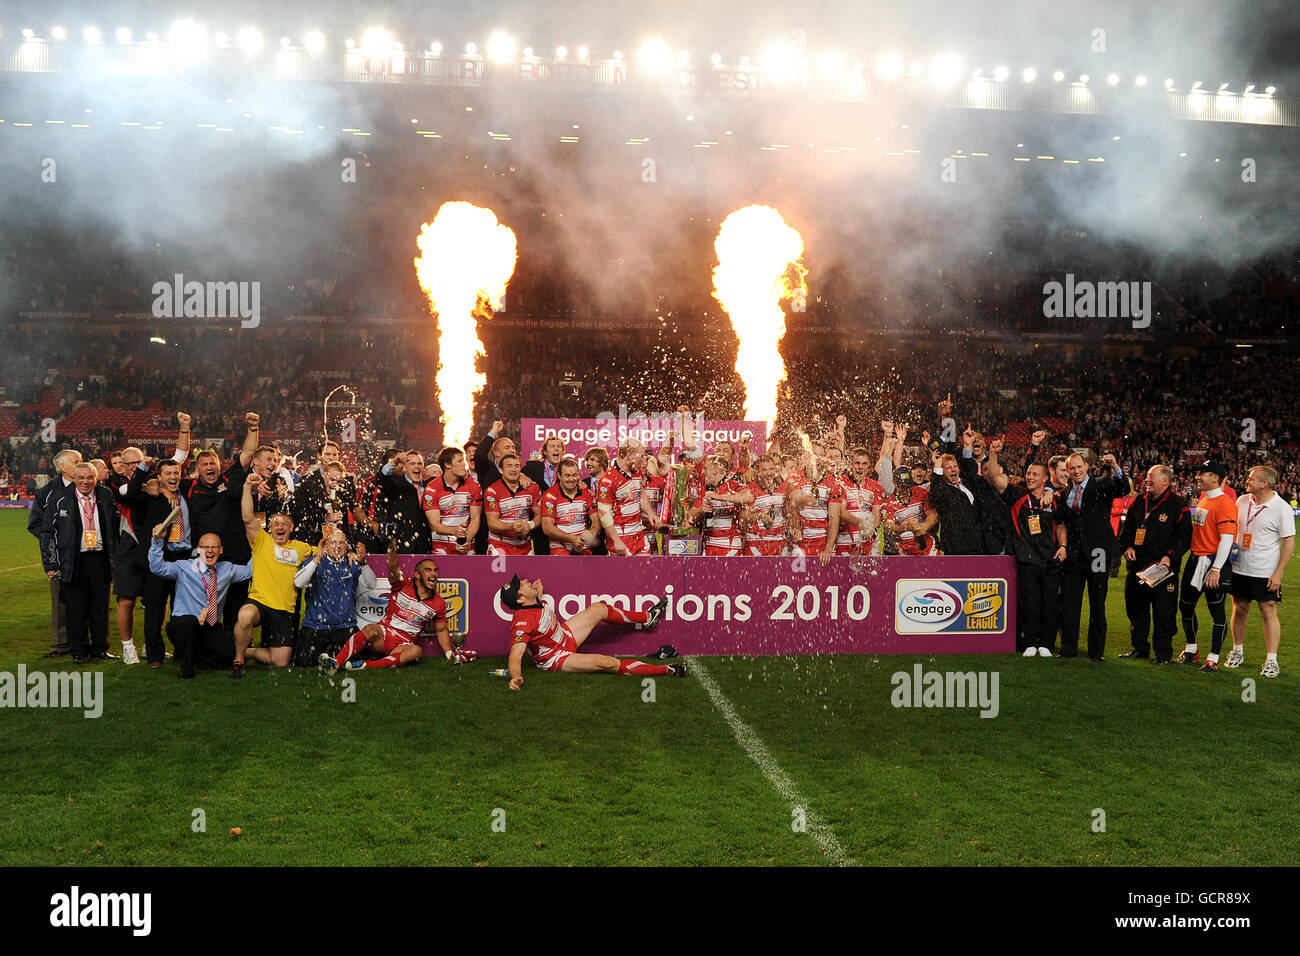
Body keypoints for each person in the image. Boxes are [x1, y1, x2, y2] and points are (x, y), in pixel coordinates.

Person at [500, 575, 678, 690]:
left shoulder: (533, 600)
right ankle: (666, 669)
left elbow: (535, 606)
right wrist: (516, 677)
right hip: (557, 658)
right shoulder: (522, 621)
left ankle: (648, 617)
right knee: (606, 663)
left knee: (599, 609)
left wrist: (537, 593)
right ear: (521, 599)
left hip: (565, 635)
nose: (524, 581)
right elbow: (516, 655)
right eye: (520, 585)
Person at [321, 547, 474, 672]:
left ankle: (365, 665)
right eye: (428, 570)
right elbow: (393, 569)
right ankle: (335, 663)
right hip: (384, 635)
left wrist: (449, 654)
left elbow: (441, 631)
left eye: (435, 570)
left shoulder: (438, 603)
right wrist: (391, 548)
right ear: (417, 575)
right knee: (370, 629)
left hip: (404, 643)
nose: (433, 574)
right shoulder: (403, 584)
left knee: (417, 652)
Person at [983, 441, 1067, 657]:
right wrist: (993, 454)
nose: (1030, 477)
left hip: (1050, 561)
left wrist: (1064, 546)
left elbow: (1060, 526)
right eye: (1028, 474)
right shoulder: (1018, 496)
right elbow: (995, 478)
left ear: (1045, 478)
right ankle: (1030, 642)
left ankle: (1046, 644)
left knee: (1050, 605)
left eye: (1035, 475)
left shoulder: (1054, 500)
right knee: (1030, 604)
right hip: (1027, 560)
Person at [231, 473, 316, 678]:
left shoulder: (301, 547)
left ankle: (248, 651)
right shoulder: (261, 540)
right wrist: (246, 488)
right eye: (276, 523)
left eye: (285, 524)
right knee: (245, 616)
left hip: (284, 610)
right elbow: (246, 516)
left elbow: (323, 551)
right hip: (259, 602)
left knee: (280, 662)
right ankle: (238, 659)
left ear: (291, 528)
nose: (280, 526)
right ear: (269, 528)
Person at [39, 462, 120, 664]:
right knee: (76, 609)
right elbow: (47, 533)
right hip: (73, 561)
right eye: (81, 478)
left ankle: (100, 648)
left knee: (100, 608)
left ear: (96, 478)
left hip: (100, 559)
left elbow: (116, 525)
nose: (86, 482)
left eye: (90, 477)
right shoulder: (59, 498)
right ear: (74, 479)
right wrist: (51, 565)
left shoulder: (105, 495)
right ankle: (79, 651)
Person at [147, 525, 251, 679]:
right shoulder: (184, 567)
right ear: (198, 549)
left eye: (214, 547)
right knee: (190, 623)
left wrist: (261, 545)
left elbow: (250, 570)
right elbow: (157, 567)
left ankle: (197, 657)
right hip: (182, 625)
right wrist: (157, 541)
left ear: (220, 550)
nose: (210, 551)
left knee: (230, 652)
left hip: (208, 627)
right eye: (205, 547)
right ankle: (187, 671)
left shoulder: (227, 569)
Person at [1117, 465, 1191, 664]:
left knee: (1163, 613)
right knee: (1136, 610)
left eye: (1151, 476)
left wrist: (1170, 556)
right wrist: (1127, 547)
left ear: (1165, 481)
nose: (1147, 479)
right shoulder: (1139, 502)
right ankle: (1139, 649)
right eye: (1147, 476)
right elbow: (1127, 530)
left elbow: (1184, 537)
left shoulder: (1178, 505)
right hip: (1137, 568)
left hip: (1163, 570)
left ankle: (1163, 654)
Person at [1225, 465, 1294, 677]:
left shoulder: (1281, 508)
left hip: (1265, 571)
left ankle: (1272, 660)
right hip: (1239, 568)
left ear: (1265, 483)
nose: (1247, 481)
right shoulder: (1242, 501)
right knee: (1240, 608)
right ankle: (1237, 651)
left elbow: (1289, 543)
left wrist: (1278, 573)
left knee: (1268, 611)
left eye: (1251, 478)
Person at [1059, 451, 1128, 661]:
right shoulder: (1065, 494)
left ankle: (1096, 652)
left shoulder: (1101, 485)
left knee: (1098, 602)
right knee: (1071, 603)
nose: (1076, 471)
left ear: (1087, 466)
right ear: (1068, 471)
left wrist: (1116, 466)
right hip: (1074, 555)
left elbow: (1124, 488)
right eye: (1072, 468)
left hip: (1098, 553)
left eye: (1079, 466)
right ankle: (1068, 649)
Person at [1176, 461, 1238, 672]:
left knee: (1217, 612)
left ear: (1215, 478)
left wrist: (1217, 569)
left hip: (1212, 563)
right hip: (1196, 561)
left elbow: (1227, 539)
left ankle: (1213, 658)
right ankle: (1191, 649)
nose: (1198, 477)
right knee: (1185, 605)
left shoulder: (1225, 503)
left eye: (1202, 474)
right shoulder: (1204, 499)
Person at [28, 448, 81, 658]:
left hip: (88, 552)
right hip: (60, 556)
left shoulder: (90, 486)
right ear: (62, 467)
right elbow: (35, 524)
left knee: (86, 599)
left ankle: (85, 643)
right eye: (76, 461)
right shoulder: (47, 492)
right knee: (60, 601)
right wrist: (56, 543)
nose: (81, 464)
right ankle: (60, 645)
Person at [293, 531, 371, 667]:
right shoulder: (315, 562)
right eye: (333, 542)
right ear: (326, 545)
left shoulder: (351, 563)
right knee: (304, 662)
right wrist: (317, 558)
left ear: (347, 546)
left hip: (345, 626)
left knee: (358, 661)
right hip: (316, 626)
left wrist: (363, 562)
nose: (338, 546)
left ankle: (331, 652)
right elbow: (298, 583)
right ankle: (330, 652)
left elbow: (371, 584)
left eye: (342, 542)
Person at [785, 447, 842, 566]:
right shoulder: (794, 478)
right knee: (797, 581)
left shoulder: (834, 483)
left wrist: (828, 549)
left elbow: (834, 518)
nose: (817, 459)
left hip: (823, 542)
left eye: (821, 455)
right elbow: (794, 502)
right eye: (814, 455)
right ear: (806, 457)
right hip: (800, 542)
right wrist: (804, 499)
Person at [687, 455, 753, 556]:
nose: (703, 472)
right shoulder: (704, 490)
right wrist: (701, 510)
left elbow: (748, 497)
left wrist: (719, 497)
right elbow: (691, 518)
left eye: (706, 468)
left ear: (715, 471)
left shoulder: (732, 485)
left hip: (730, 547)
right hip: (709, 546)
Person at [596, 439, 652, 556]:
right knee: (624, 574)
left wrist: (650, 513)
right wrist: (616, 541)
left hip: (639, 536)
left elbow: (641, 494)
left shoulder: (636, 472)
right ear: (629, 455)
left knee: (645, 572)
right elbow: (603, 514)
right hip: (620, 538)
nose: (643, 461)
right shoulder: (608, 480)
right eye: (640, 456)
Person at [422, 446, 482, 555]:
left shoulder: (474, 486)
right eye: (460, 461)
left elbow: (475, 518)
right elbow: (434, 524)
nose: (464, 463)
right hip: (442, 545)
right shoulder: (432, 489)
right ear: (447, 464)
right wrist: (455, 531)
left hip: (467, 544)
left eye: (463, 460)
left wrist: (466, 540)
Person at [484, 452, 542, 555]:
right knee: (500, 572)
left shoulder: (532, 487)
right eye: (509, 466)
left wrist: (529, 525)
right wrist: (512, 527)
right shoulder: (492, 491)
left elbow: (540, 515)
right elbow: (492, 523)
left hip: (525, 545)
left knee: (528, 571)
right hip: (500, 545)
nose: (514, 470)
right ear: (500, 470)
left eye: (517, 466)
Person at [375, 449, 433, 553]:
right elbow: (381, 477)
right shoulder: (395, 484)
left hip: (425, 545)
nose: (417, 466)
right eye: (412, 463)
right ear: (404, 468)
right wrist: (394, 462)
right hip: (401, 545)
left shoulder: (430, 486)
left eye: (420, 463)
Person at [539, 458, 599, 554]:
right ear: (559, 475)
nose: (571, 479)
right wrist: (572, 539)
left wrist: (592, 533)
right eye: (567, 476)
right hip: (559, 547)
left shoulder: (588, 494)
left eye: (574, 475)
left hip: (583, 546)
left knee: (588, 568)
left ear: (579, 475)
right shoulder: (549, 495)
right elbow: (547, 527)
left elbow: (596, 520)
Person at [835, 446, 885, 556]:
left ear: (869, 467)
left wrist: (871, 527)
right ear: (851, 464)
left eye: (864, 464)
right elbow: (841, 512)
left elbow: (876, 515)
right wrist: (859, 523)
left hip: (867, 542)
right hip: (844, 541)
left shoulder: (876, 486)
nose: (860, 467)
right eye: (857, 463)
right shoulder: (840, 483)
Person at [880, 468, 939, 556]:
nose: (905, 490)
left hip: (927, 544)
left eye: (907, 485)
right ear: (894, 483)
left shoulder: (921, 493)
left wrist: (924, 526)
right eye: (901, 486)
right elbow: (889, 527)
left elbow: (933, 515)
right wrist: (906, 527)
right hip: (904, 549)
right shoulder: (888, 503)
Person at [741, 454, 791, 556]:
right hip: (756, 543)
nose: (769, 473)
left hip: (780, 542)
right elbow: (742, 517)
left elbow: (790, 512)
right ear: (757, 470)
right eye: (764, 470)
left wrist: (791, 525)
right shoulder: (750, 489)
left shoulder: (784, 488)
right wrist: (759, 516)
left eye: (771, 469)